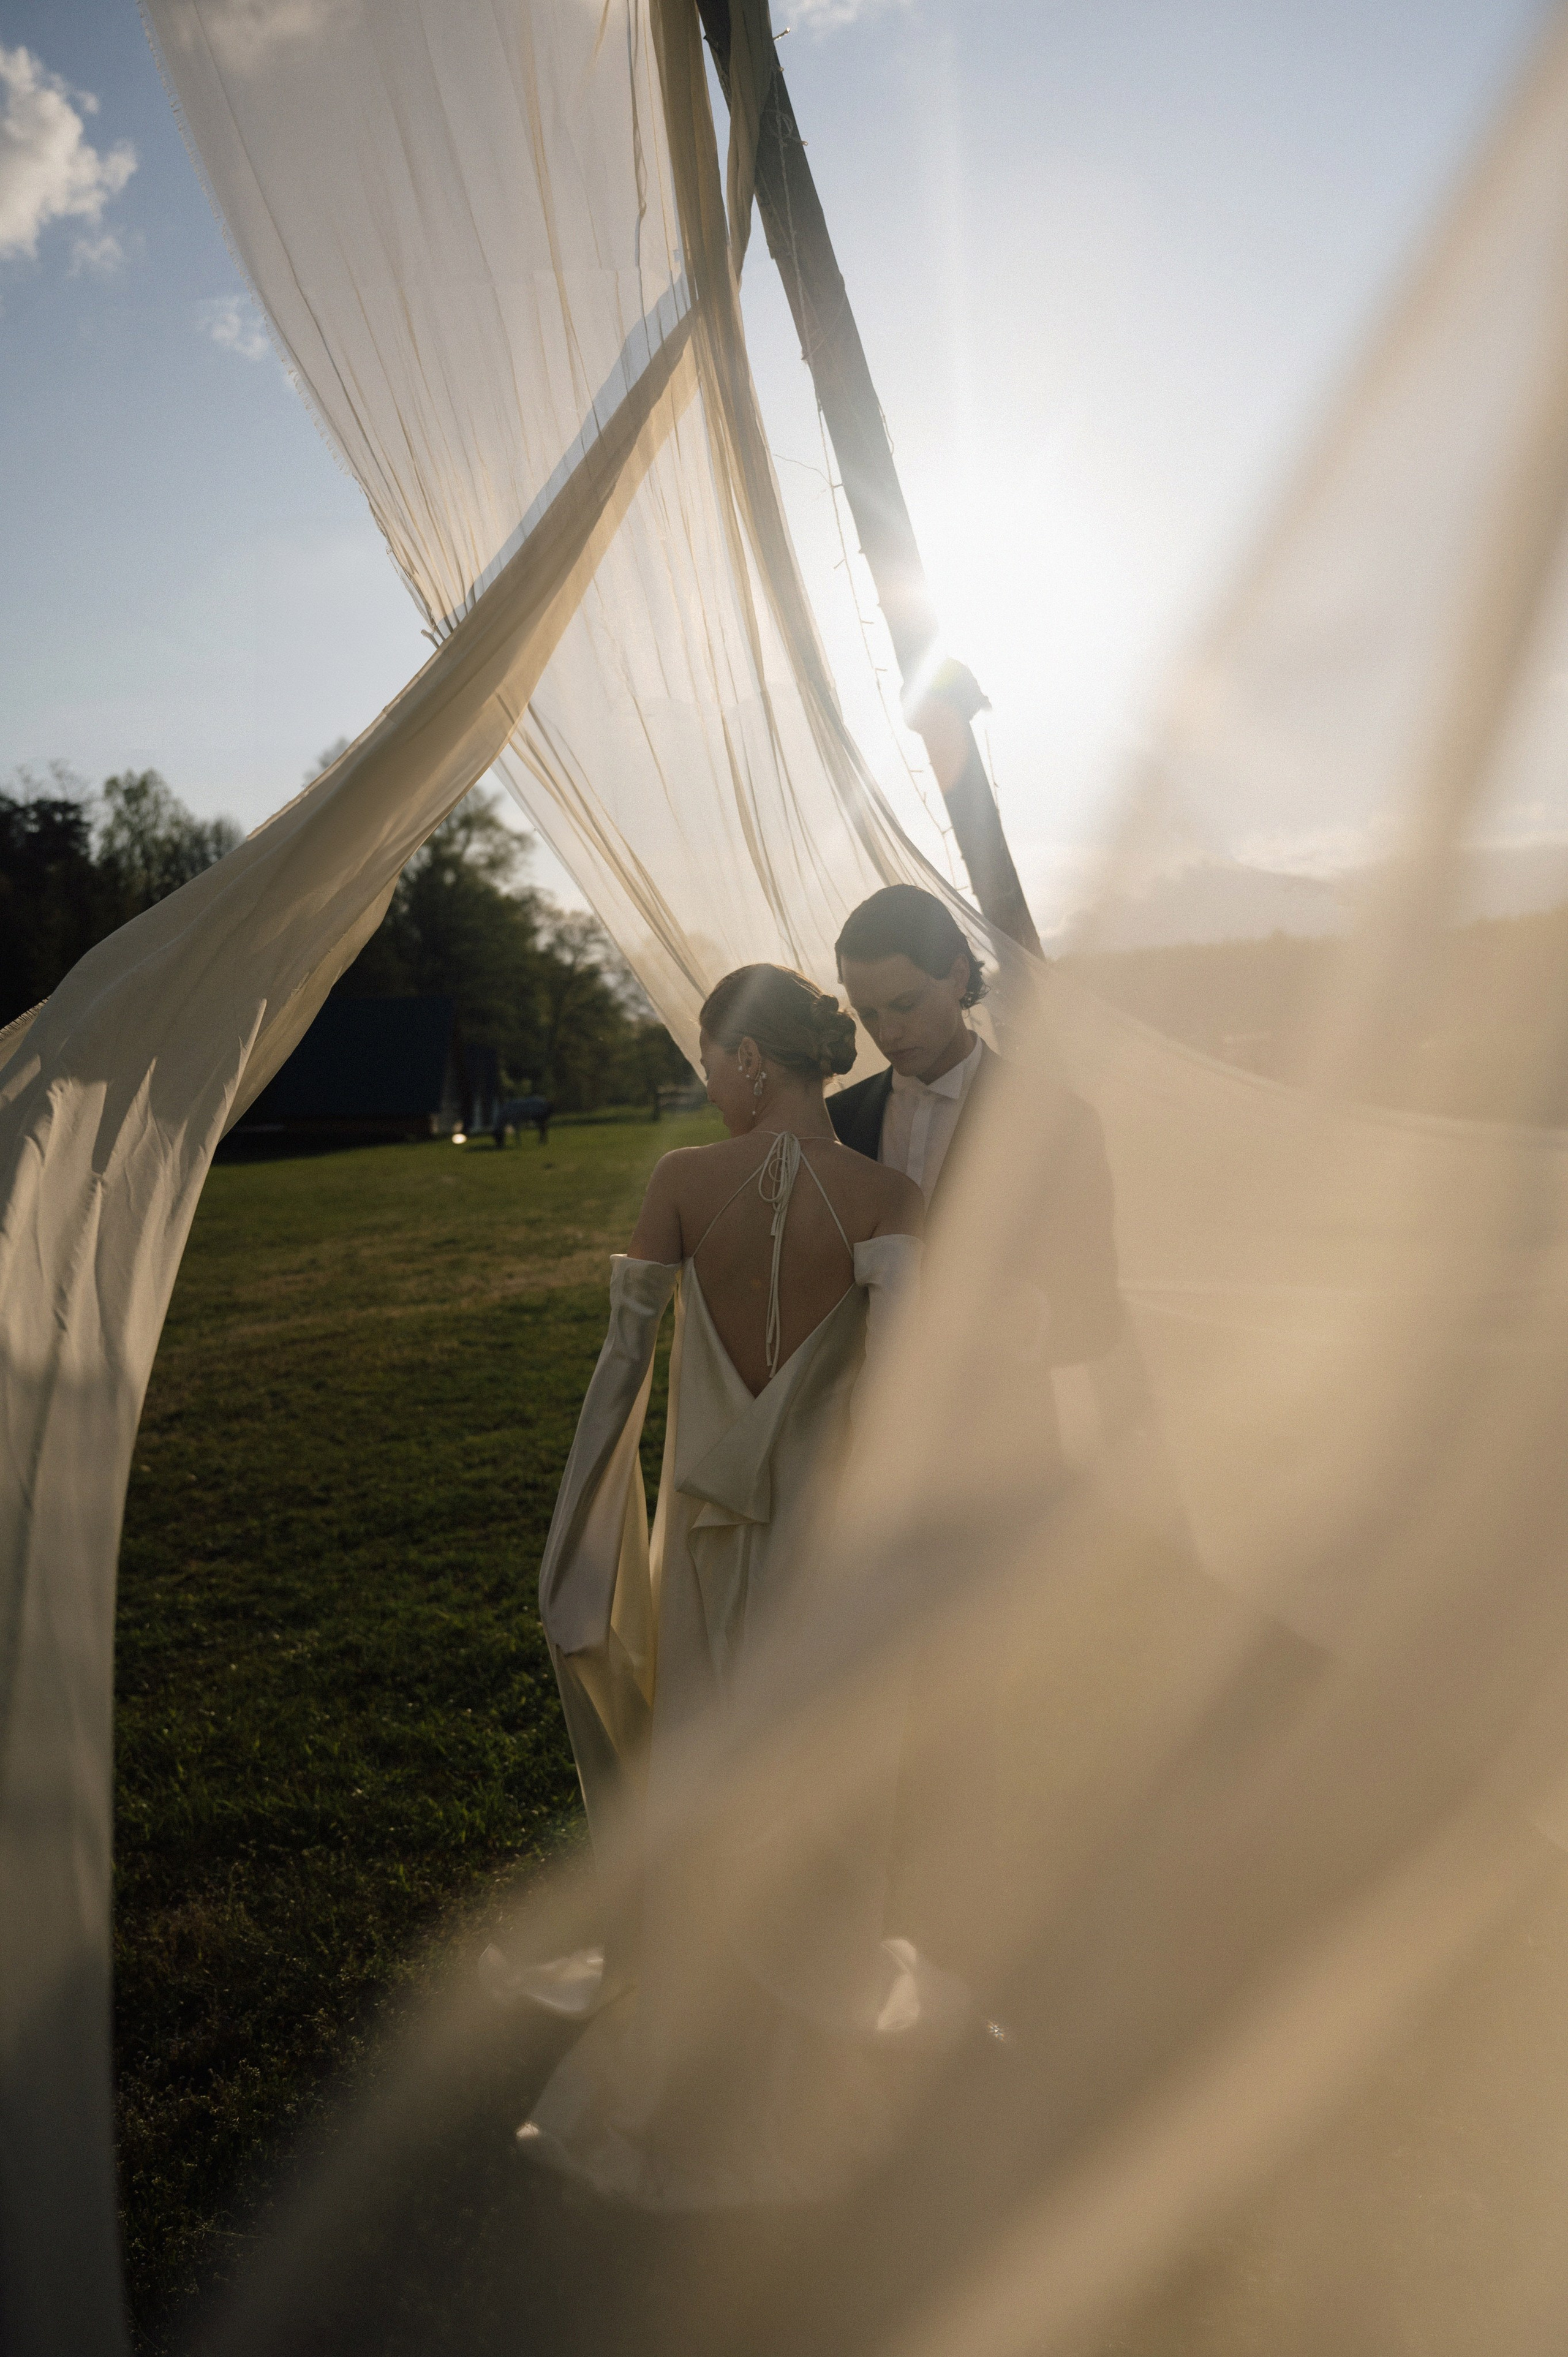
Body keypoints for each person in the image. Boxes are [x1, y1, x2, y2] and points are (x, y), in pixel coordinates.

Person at [491, 964, 962, 2205]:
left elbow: (617, 1379)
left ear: (750, 1060)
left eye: (710, 1059)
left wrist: (582, 1538)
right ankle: (794, 2016)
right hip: (830, 1542)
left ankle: (698, 2013)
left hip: (700, 1530)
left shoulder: (680, 1183)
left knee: (701, 1763)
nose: (708, 1084)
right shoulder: (890, 1194)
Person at [832, 883, 1121, 1362]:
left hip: (1006, 1422)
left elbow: (1095, 1317)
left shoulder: (1058, 1122)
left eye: (905, 1004)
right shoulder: (838, 1123)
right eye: (868, 1014)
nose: (887, 1032)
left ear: (958, 976)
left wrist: (1005, 1320)